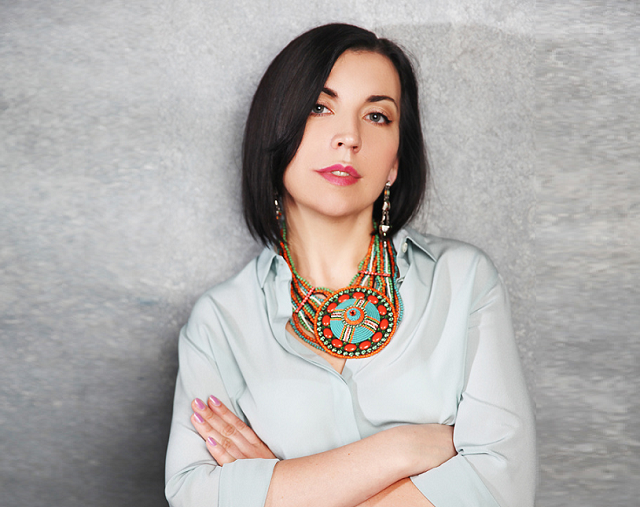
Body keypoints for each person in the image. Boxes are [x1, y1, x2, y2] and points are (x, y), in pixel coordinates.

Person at [165, 23, 536, 507]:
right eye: (320, 108)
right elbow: (194, 496)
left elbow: (504, 486)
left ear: (396, 160)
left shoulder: (464, 281)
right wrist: (405, 448)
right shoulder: (219, 322)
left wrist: (281, 486)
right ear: (277, 130)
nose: (349, 137)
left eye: (377, 116)